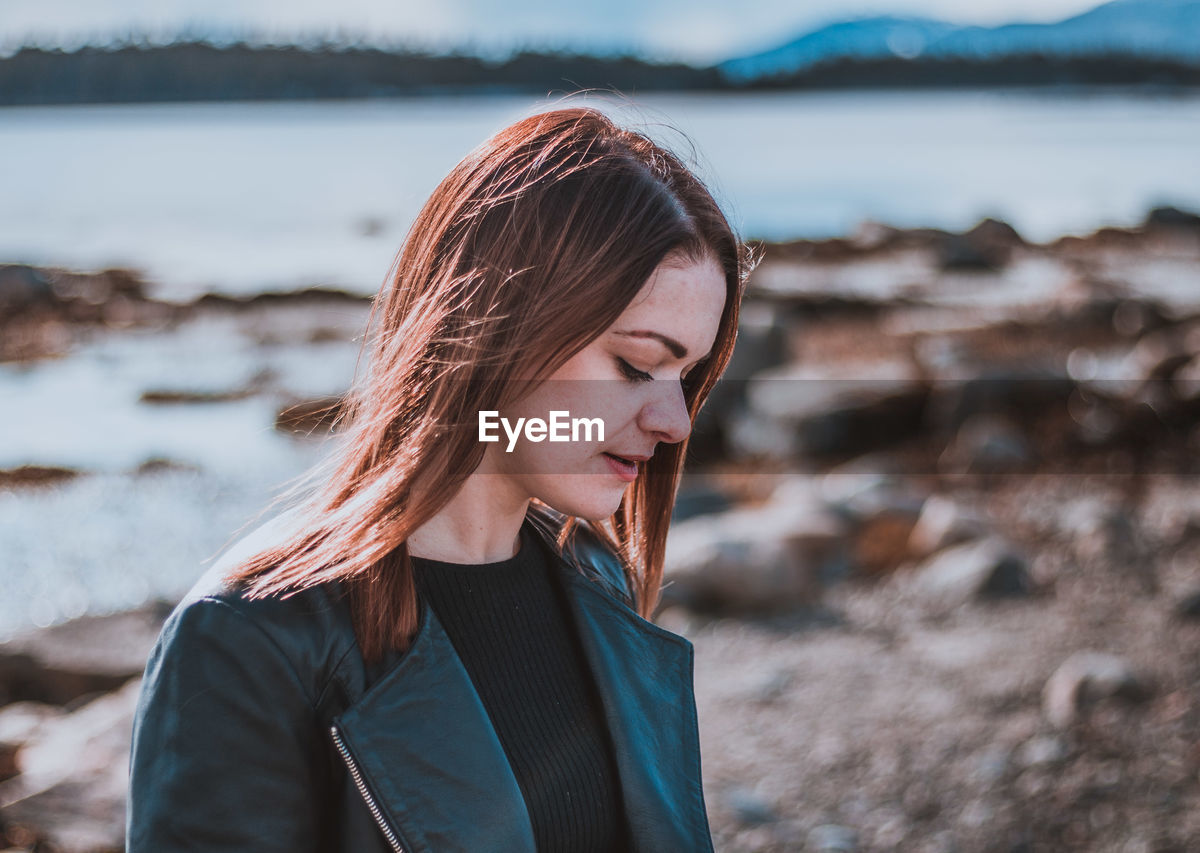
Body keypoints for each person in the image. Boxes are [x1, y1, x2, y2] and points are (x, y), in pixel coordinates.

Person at [126, 105, 751, 852]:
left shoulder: (595, 577)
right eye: (637, 365)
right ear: (499, 320)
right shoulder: (250, 639)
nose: (675, 421)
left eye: (685, 375)